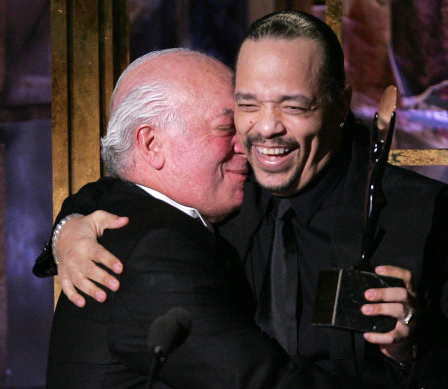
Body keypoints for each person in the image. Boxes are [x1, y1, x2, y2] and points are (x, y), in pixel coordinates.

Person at [35, 11, 448, 388]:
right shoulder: (227, 188)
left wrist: (414, 346)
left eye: (293, 106)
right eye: (246, 106)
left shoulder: (428, 214)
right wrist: (69, 228)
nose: (265, 128)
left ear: (339, 106)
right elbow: (133, 186)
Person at [44, 48, 349, 388]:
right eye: (225, 128)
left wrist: (64, 228)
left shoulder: (122, 216)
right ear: (151, 144)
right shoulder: (156, 250)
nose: (246, 144)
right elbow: (263, 382)